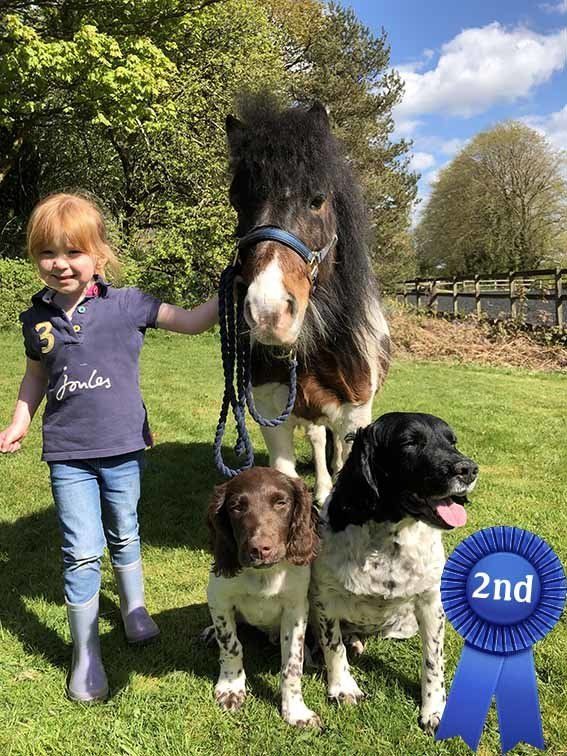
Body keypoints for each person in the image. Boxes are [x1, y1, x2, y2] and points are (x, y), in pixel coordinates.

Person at [0, 192, 219, 702]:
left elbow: (191, 321)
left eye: (73, 252)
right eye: (47, 253)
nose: (59, 263)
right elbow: (35, 376)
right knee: (80, 551)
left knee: (124, 531)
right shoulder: (35, 319)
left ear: (98, 255)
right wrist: (19, 420)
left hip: (123, 447)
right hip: (67, 453)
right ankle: (86, 654)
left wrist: (230, 290)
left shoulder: (128, 304)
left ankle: (134, 609)